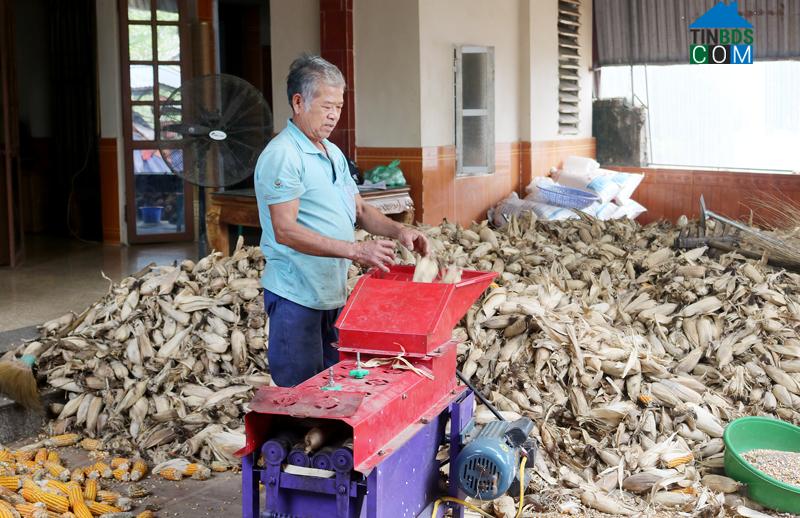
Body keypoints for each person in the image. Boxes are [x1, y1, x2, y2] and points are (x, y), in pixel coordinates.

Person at [254, 54, 429, 387]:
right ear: (298, 102)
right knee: (300, 394)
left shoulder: (331, 152)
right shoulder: (283, 155)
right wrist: (355, 251)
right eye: (326, 106)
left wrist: (400, 230)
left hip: (331, 293)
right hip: (296, 296)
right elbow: (285, 230)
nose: (334, 115)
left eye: (339, 106)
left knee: (333, 385)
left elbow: (360, 211)